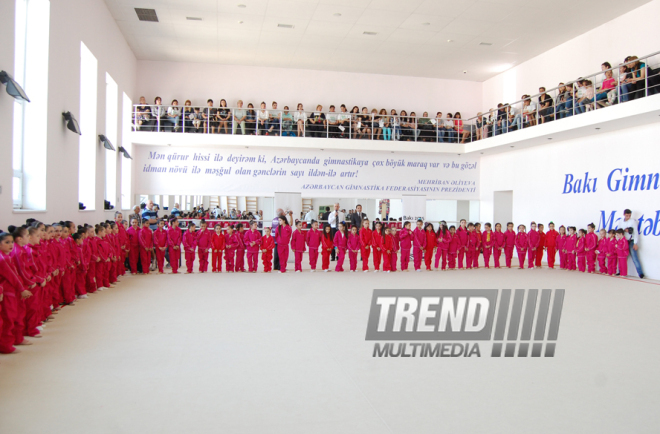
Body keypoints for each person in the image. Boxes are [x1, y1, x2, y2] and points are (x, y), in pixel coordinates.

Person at [618, 209, 644, 278]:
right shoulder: (621, 221)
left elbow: (635, 232)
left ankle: (640, 273)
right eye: (627, 215)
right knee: (622, 257)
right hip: (623, 240)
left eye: (629, 215)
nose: (628, 217)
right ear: (624, 215)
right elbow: (619, 230)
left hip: (631, 240)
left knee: (634, 258)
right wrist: (624, 231)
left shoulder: (633, 221)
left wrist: (635, 243)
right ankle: (620, 271)